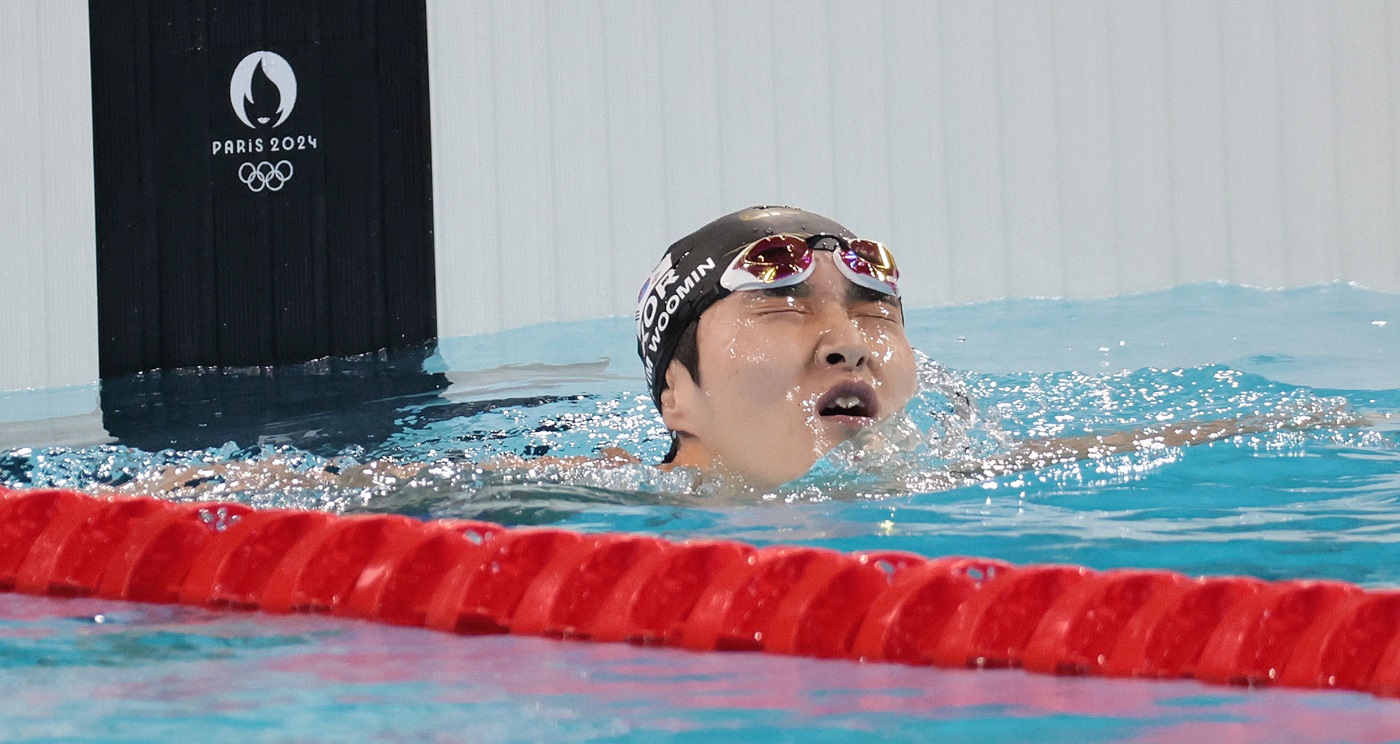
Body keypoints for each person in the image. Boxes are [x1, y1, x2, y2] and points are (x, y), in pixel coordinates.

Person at [119, 205, 1357, 497]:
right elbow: (353, 499)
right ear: (676, 391)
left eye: (871, 314)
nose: (841, 340)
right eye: (780, 309)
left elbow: (1164, 440)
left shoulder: (960, 479)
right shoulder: (568, 502)